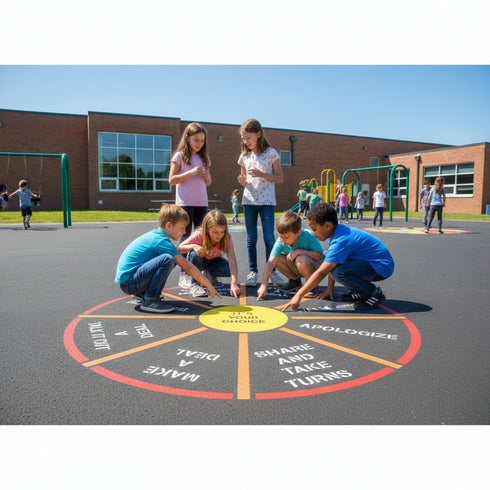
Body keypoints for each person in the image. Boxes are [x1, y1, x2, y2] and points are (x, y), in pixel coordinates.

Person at [281, 203, 394, 312]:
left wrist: (299, 295)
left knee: (339, 272)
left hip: (381, 266)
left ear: (327, 226)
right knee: (331, 261)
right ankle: (361, 292)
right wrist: (330, 288)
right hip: (370, 262)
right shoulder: (335, 233)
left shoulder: (341, 240)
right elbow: (332, 262)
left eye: (314, 229)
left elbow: (322, 272)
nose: (313, 233)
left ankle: (374, 293)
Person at [115, 204, 221, 313]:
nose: (184, 232)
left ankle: (142, 293)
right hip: (130, 283)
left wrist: (193, 246)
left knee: (172, 256)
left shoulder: (157, 236)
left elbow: (177, 250)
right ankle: (151, 299)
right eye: (182, 228)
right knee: (168, 259)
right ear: (169, 225)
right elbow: (187, 266)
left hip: (130, 281)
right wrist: (208, 284)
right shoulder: (160, 241)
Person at [237, 118, 284, 287]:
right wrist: (242, 181)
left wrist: (262, 174)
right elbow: (245, 179)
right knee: (251, 239)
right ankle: (252, 272)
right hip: (249, 201)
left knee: (269, 238)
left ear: (258, 134)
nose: (246, 141)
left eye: (248, 137)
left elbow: (280, 178)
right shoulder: (244, 156)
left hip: (267, 202)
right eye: (243, 138)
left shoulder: (271, 153)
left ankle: (272, 272)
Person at [257, 211, 323, 300]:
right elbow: (270, 263)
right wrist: (263, 285)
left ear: (298, 232)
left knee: (301, 259)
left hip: (314, 267)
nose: (282, 240)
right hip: (297, 267)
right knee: (277, 258)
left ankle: (311, 285)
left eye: (286, 237)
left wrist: (299, 251)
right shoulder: (281, 241)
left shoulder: (309, 235)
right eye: (280, 236)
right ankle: (295, 281)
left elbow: (319, 256)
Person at [178, 210, 241, 298]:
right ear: (207, 230)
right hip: (198, 261)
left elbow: (232, 261)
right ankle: (194, 284)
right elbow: (179, 248)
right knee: (196, 255)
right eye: (215, 232)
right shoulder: (199, 235)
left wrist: (234, 283)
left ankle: (208, 274)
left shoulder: (226, 238)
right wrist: (194, 246)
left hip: (212, 261)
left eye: (222, 231)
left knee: (228, 269)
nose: (219, 235)